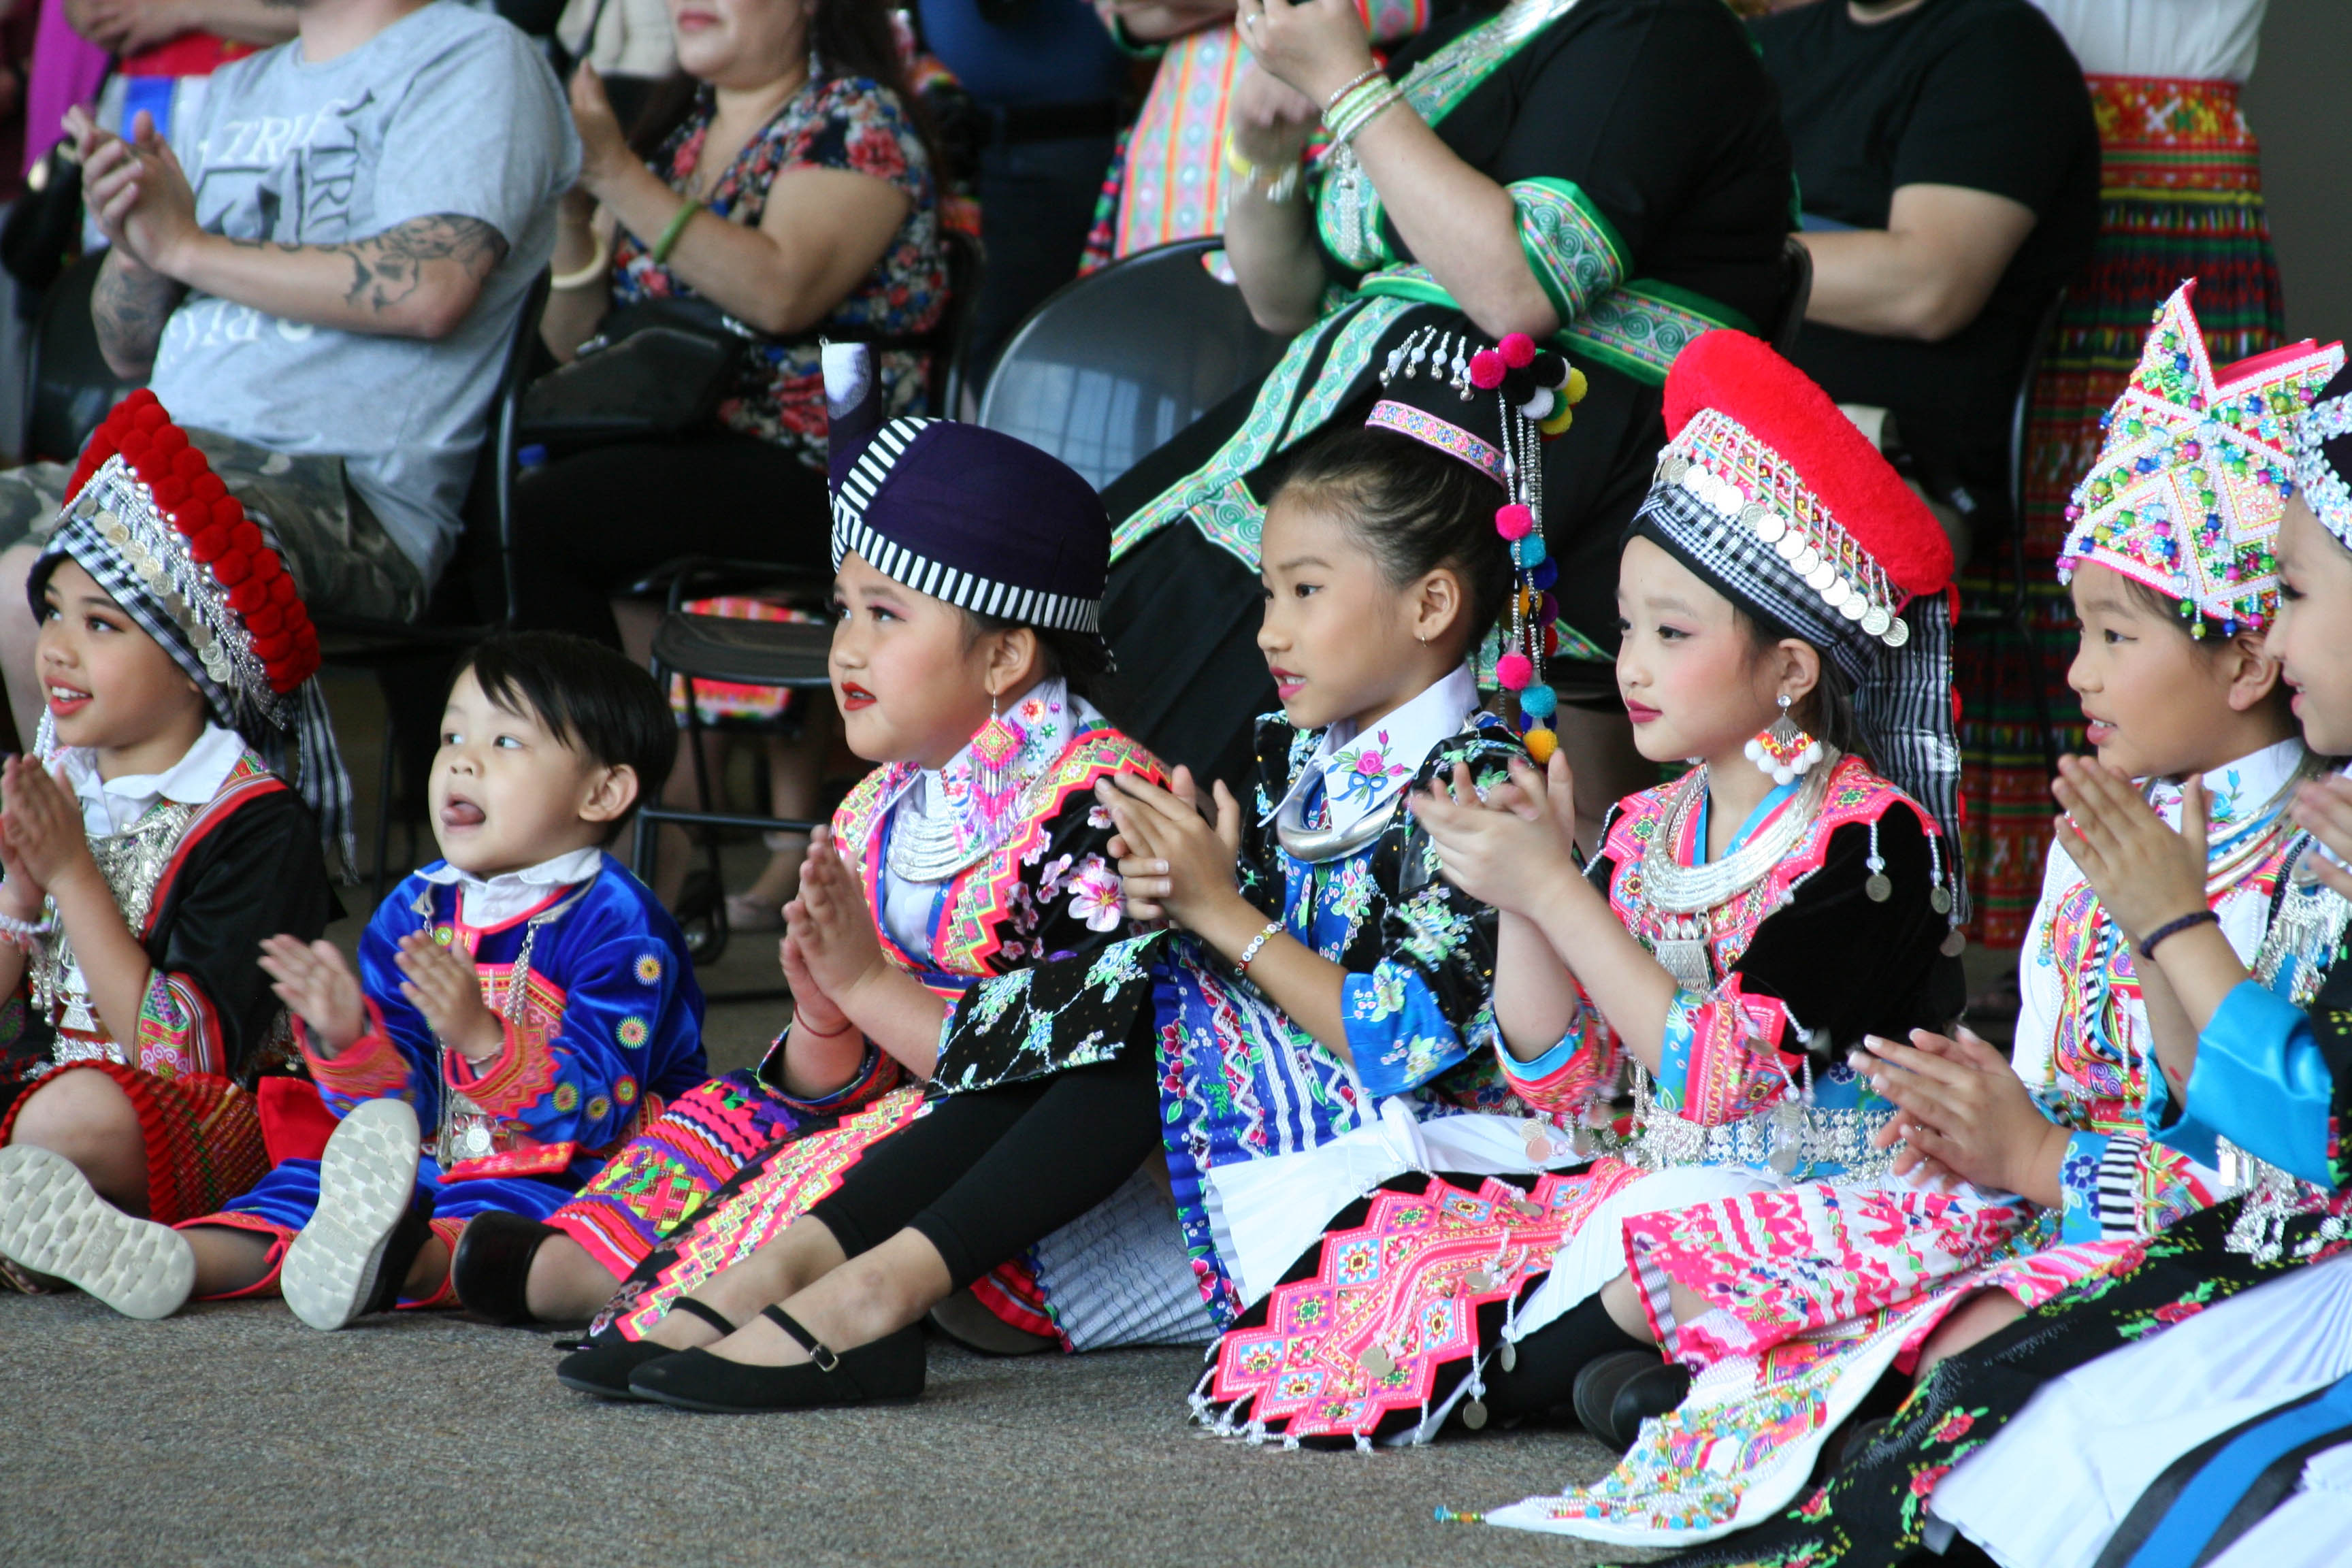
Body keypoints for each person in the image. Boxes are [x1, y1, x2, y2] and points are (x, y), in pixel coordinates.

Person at [1449, 292, 2347, 1550]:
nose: (2074, 670)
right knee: (1705, 1270)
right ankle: (1755, 1385)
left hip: (2156, 1221)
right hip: (2021, 1186)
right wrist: (1530, 889)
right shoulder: (2102, 827)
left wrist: (2038, 1141)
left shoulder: (2291, 851)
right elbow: (1572, 1085)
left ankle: (1779, 1392)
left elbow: (2262, 1166)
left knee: (1962, 1347)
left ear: (2245, 663)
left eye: (2112, 633)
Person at [553, 329, 1556, 1411]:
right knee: (1141, 974)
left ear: (1433, 607)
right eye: (1266, 594)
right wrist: (1204, 893)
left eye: (1303, 592)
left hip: (1421, 1137)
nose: (1269, 631)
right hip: (1280, 1104)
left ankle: (861, 1292)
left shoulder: (1476, 782)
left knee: (1150, 981)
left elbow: (1412, 1040)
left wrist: (1221, 913)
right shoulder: (1299, 754)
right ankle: (810, 1271)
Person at [1192, 329, 1967, 1474]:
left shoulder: (1870, 839)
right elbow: (1568, 1081)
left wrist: (1557, 886)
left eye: (1671, 632)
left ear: (1791, 668)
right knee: (1378, 1196)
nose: (1635, 664)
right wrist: (1520, 887)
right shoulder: (1653, 825)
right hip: (1645, 1171)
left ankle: (1555, 1367)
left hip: (1819, 1184)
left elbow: (1722, 1081)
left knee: (1699, 1223)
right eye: (1630, 625)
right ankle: (1638, 1367)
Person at [439, 342, 1164, 1344]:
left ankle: (657, 1294)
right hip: (891, 1113)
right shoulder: (882, 803)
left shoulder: (1100, 811)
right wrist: (826, 1014)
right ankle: (556, 1268)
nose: (845, 648)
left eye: (885, 613)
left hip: (1003, 1188)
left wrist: (866, 985)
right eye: (842, 612)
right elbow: (833, 1080)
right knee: (726, 1116)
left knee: (836, 1161)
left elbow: (1048, 1095)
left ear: (1004, 653)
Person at [1097, 0, 1792, 849]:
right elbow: (1281, 299)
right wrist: (1270, 154)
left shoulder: (1657, 27)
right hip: (1349, 418)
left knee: (1189, 650)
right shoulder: (1480, 23)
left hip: (1509, 457)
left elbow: (1518, 292)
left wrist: (1346, 83)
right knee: (1098, 603)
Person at [0, 0, 578, 751]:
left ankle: (101, 864)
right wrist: (138, 241)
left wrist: (185, 249)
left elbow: (430, 289)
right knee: (48, 572)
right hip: (158, 457)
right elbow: (127, 347)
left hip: (344, 495)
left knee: (58, 578)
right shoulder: (237, 86)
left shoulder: (471, 54)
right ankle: (50, 854)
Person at [109, 631, 711, 1330]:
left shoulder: (621, 926)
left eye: (506, 743)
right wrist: (348, 1036)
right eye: (452, 735)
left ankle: (400, 1264)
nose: (461, 761)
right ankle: (172, 1256)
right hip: (428, 1164)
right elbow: (405, 1111)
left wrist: (484, 1041)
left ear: (603, 791)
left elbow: (598, 1108)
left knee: (506, 1225)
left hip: (575, 1173)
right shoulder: (416, 908)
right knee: (309, 1186)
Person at [512, 0, 947, 918]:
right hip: (679, 448)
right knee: (533, 502)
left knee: (555, 514)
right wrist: (578, 214)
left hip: (828, 462)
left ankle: (639, 817)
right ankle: (641, 809)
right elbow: (571, 337)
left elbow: (781, 289)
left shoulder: (855, 123)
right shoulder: (680, 135)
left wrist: (618, 172)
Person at [1744, 0, 2099, 945]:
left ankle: (1823, 932)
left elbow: (1930, 283)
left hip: (1902, 464)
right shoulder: (1775, 45)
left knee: (1714, 587)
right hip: (1737, 433)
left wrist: (1718, 257)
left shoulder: (1993, 47)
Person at [1952, 0, 2289, 949]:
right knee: (2070, 558)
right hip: (2018, 169)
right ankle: (2033, 928)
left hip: (2176, 201)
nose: (2078, 670)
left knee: (2207, 548)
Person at [0, 390, 341, 1316]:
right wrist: (19, 891)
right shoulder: (55, 775)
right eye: (54, 614)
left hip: (195, 1116)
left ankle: (64, 1225)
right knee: (41, 1114)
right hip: (35, 1089)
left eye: (101, 625)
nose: (58, 650)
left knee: (66, 1119)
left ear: (198, 665)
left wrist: (72, 873)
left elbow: (181, 1053)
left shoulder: (257, 825)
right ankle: (46, 1226)